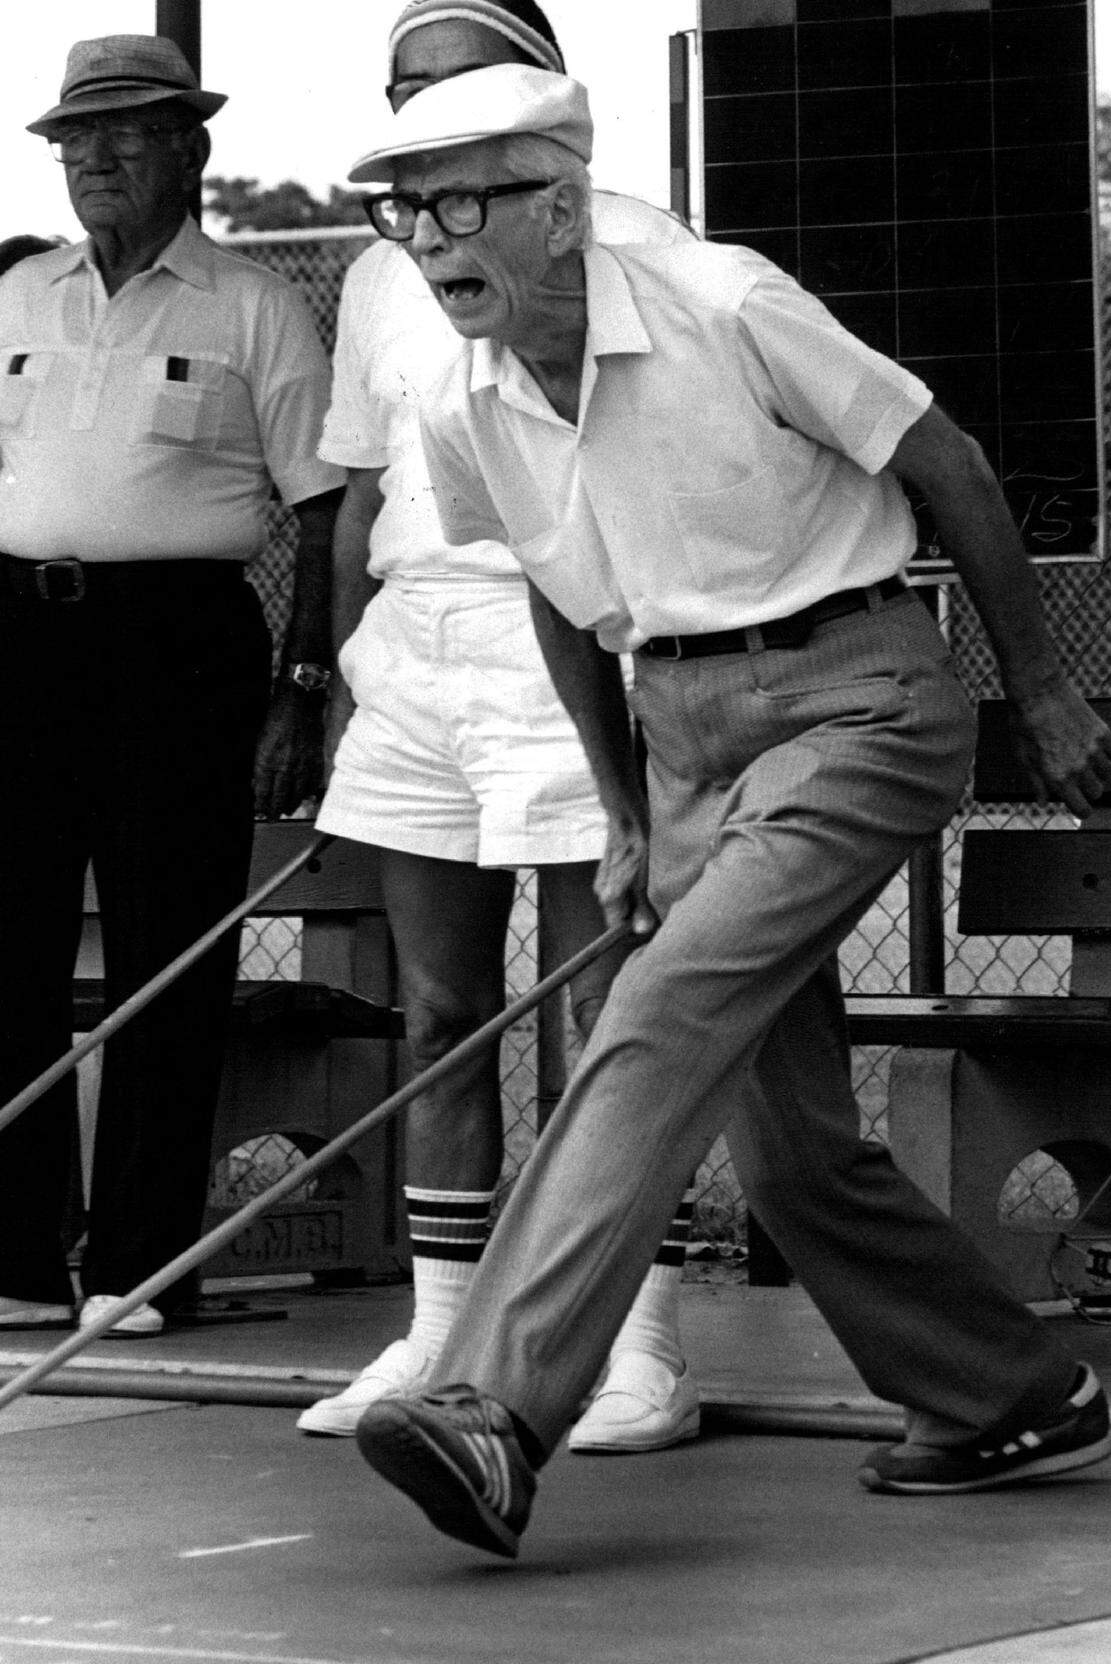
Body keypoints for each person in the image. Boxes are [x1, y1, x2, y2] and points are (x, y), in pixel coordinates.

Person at [340, 66, 1111, 1559]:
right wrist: (626, 811)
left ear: (564, 208)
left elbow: (944, 460)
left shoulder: (724, 301)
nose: (427, 238)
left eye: (462, 200)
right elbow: (565, 601)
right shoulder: (460, 401)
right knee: (787, 1148)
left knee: (660, 1008)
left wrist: (1042, 688)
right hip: (681, 735)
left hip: (857, 697)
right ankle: (1009, 1396)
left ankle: (494, 1408)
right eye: (404, 208)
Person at [298, 0, 699, 1453]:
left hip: (573, 634)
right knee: (441, 1009)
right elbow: (356, 491)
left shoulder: (649, 243)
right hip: (419, 647)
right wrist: (350, 663)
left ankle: (638, 1346)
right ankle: (438, 1337)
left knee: (611, 1011)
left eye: (446, 88)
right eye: (396, 90)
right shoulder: (378, 272)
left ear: (536, 102)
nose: (414, 115)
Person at [0, 36, 343, 1338]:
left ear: (188, 147)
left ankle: (138, 1265)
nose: (93, 159)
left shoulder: (253, 305)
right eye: (73, 139)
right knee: (5, 953)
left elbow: (324, 513)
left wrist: (302, 683)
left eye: (124, 133)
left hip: (180, 649)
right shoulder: (18, 296)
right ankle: (21, 1263)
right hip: (20, 638)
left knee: (168, 961)